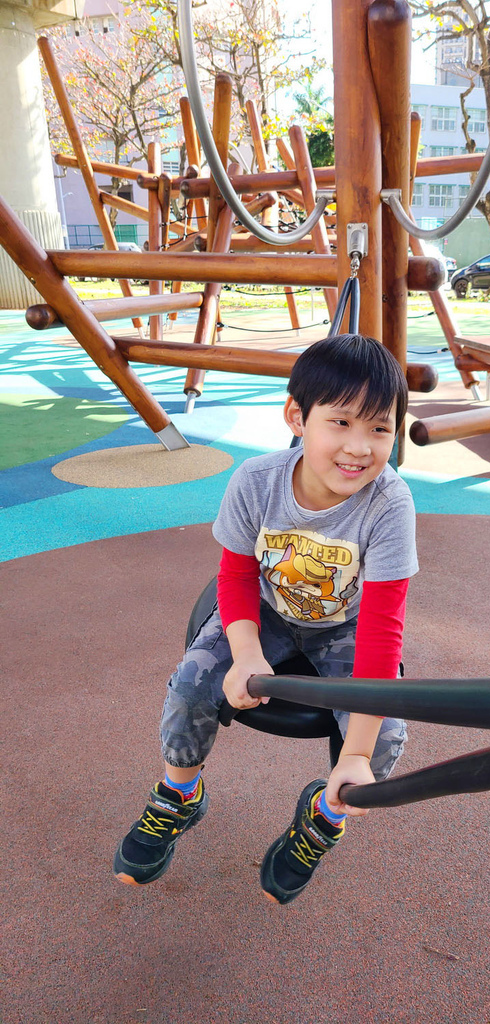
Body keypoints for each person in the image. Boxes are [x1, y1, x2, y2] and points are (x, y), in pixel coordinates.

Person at [113, 333, 418, 905]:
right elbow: (234, 576)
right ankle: (179, 792)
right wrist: (247, 651)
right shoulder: (258, 480)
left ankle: (323, 817)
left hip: (345, 626)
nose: (360, 447)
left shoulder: (389, 505)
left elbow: (382, 627)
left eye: (380, 428)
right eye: (343, 423)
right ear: (297, 418)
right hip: (268, 609)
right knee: (189, 688)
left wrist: (353, 753)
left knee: (383, 741)